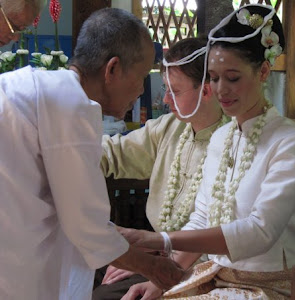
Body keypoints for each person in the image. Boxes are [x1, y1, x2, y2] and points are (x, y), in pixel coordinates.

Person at [119, 4, 295, 300]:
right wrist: (161, 278)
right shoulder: (222, 137)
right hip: (217, 276)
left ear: (263, 71)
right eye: (214, 77)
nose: (221, 89)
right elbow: (202, 218)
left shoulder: (288, 142)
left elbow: (260, 232)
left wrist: (158, 239)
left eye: (232, 77)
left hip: (272, 285)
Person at [0, 7, 184, 300]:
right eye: (141, 77)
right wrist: (153, 267)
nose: (142, 90)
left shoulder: (38, 90)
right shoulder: (69, 105)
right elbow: (86, 226)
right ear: (112, 69)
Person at [93, 37, 228, 300]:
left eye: (174, 91)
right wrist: (61, 155)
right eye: (166, 88)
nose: (165, 99)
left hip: (200, 266)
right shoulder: (168, 128)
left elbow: (221, 231)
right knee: (77, 266)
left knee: (102, 296)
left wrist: (154, 260)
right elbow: (113, 153)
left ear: (206, 90)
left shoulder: (234, 140)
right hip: (156, 250)